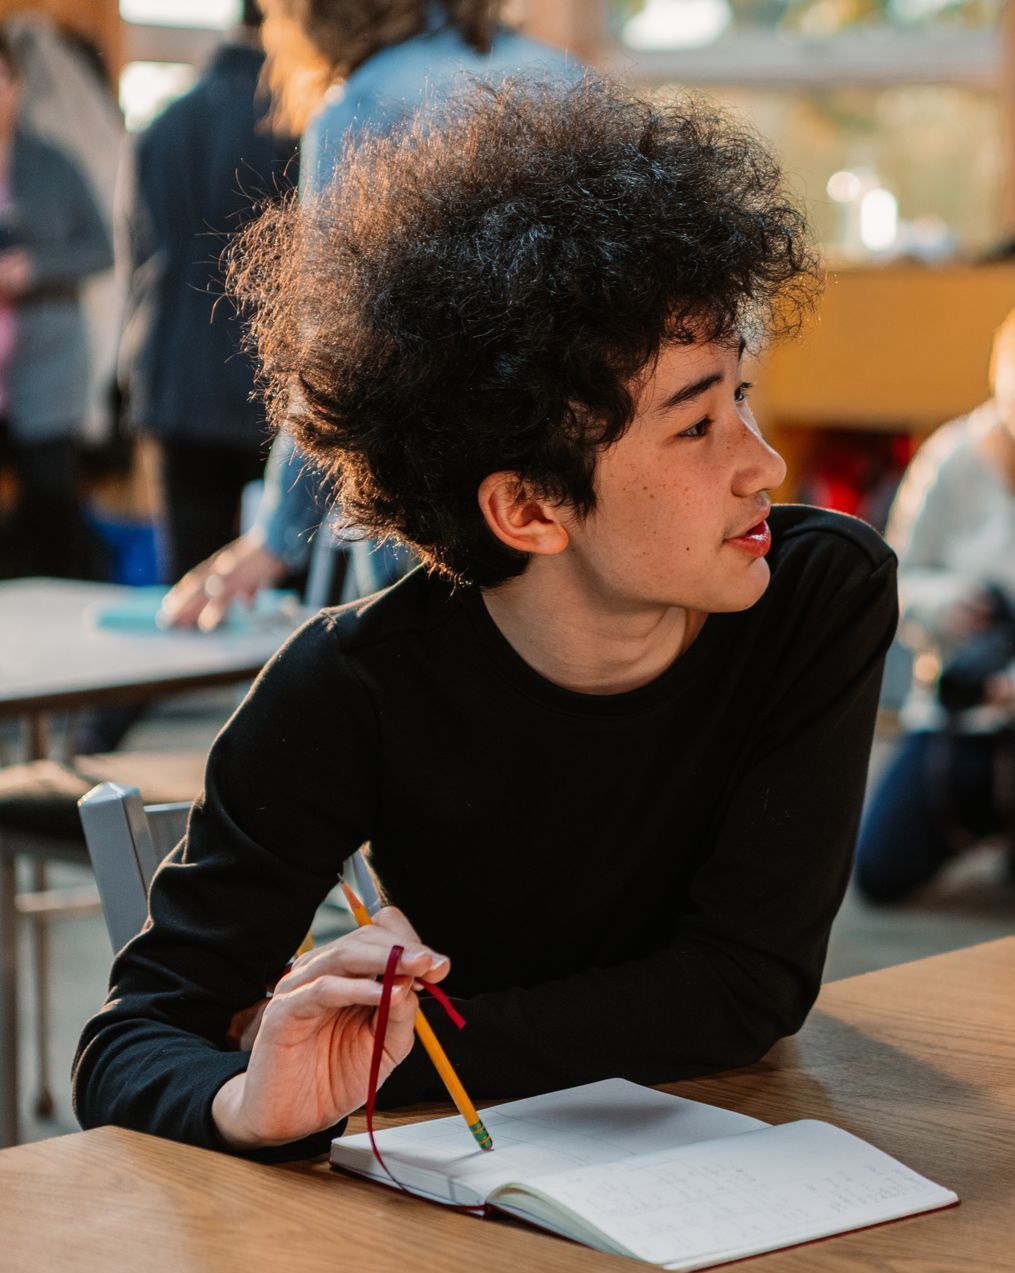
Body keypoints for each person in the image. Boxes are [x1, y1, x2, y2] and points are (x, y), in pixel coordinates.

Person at [74, 76, 897, 1161]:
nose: (766, 463)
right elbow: (131, 1043)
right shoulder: (348, 688)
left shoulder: (815, 597)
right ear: (526, 507)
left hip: (728, 1150)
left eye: (738, 394)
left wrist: (396, 1061)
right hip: (462, 1186)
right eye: (698, 425)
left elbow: (744, 989)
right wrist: (249, 1095)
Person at [160, 0, 576, 629]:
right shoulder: (571, 80)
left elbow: (342, 351)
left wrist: (275, 535)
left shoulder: (366, 106)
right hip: (573, 477)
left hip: (433, 504)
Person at [120, 0, 295, 581]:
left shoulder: (165, 124)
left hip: (173, 373)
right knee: (279, 585)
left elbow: (142, 253)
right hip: (268, 379)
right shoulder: (295, 125)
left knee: (191, 578)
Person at [854, 311, 1015, 904]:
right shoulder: (950, 457)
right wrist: (945, 603)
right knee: (882, 871)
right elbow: (894, 578)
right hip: (955, 710)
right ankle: (986, 824)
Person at [0, 28, 113, 579]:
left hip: (44, 372)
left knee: (48, 511)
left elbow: (102, 248)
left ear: (16, 85)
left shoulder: (52, 164)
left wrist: (35, 268)